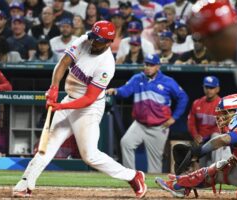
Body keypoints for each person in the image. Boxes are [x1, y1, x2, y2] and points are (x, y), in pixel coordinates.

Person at [12, 20, 147, 199]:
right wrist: (53, 88)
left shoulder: (106, 65)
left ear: (109, 42)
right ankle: (25, 185)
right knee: (47, 146)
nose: (93, 42)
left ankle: (133, 176)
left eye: (98, 40)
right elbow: (62, 63)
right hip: (69, 99)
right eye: (93, 37)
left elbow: (88, 99)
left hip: (88, 109)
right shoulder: (84, 40)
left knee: (90, 155)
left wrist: (61, 106)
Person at [164, 1, 237, 199]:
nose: (204, 46)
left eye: (204, 38)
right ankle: (180, 185)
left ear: (218, 33)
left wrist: (200, 150)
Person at [155, 93, 237, 199]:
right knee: (220, 168)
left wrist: (198, 153)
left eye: (226, 113)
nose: (221, 117)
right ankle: (179, 185)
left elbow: (223, 140)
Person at [106, 54, 188, 173]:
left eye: (151, 65)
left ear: (158, 66)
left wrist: (174, 117)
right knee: (126, 143)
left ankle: (153, 189)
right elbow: (125, 92)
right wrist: (116, 91)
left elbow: (183, 97)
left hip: (159, 127)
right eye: (146, 64)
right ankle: (130, 176)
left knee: (154, 164)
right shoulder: (137, 78)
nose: (148, 67)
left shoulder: (167, 81)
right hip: (140, 125)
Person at [187, 76, 232, 167]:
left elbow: (224, 126)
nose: (209, 90)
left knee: (216, 136)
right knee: (203, 169)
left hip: (216, 141)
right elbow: (191, 122)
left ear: (217, 89)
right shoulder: (197, 103)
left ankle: (219, 170)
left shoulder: (222, 105)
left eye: (211, 88)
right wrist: (195, 135)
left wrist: (209, 137)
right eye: (207, 87)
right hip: (202, 142)